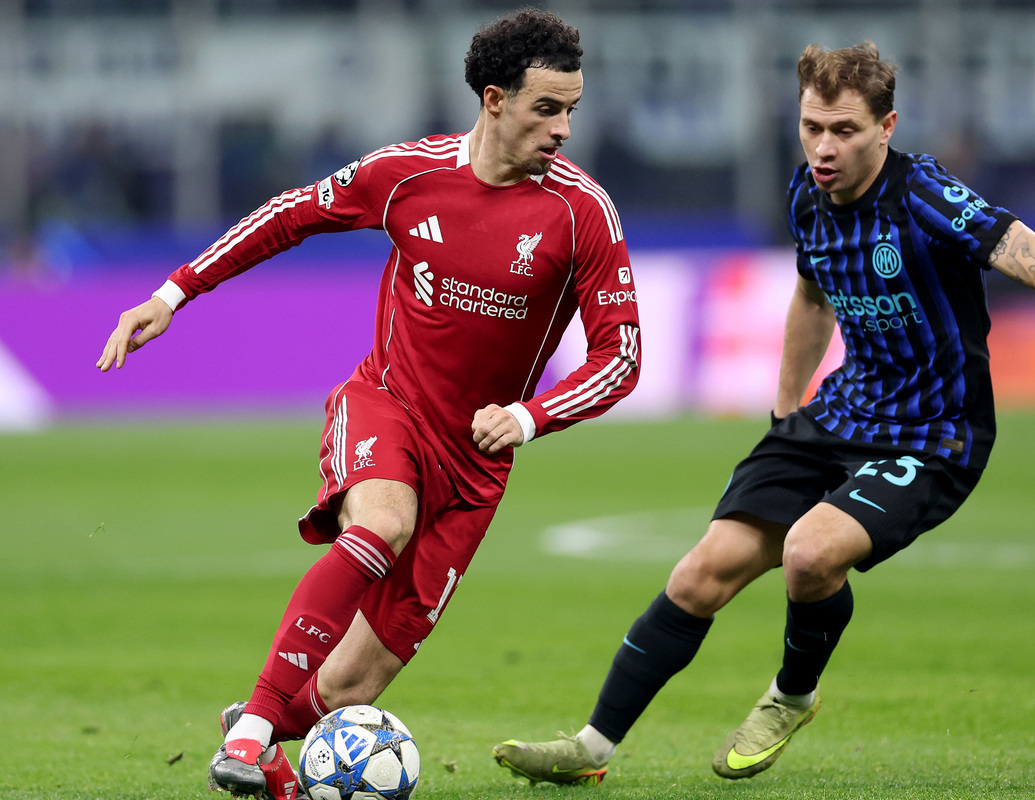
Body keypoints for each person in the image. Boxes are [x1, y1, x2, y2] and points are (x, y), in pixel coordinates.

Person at [492, 41, 1035, 786]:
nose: (823, 148)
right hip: (839, 414)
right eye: (811, 127)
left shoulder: (924, 195)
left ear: (887, 126)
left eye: (845, 131)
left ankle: (791, 696)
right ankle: (591, 749)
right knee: (702, 574)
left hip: (933, 433)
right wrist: (785, 409)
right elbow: (810, 294)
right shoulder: (805, 194)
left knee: (809, 552)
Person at [96, 9, 640, 800]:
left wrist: (529, 416)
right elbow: (291, 216)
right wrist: (174, 292)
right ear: (494, 100)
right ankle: (252, 734)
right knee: (383, 522)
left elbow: (621, 357)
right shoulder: (408, 174)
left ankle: (268, 754)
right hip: (388, 404)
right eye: (545, 109)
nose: (562, 129)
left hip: (478, 465)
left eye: (571, 112)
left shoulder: (580, 212)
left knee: (347, 692)